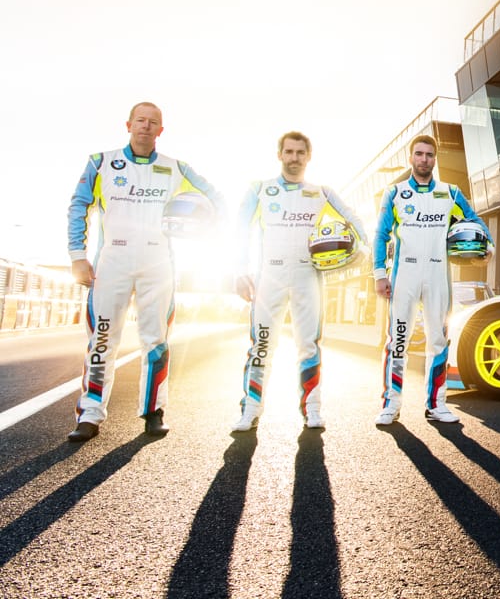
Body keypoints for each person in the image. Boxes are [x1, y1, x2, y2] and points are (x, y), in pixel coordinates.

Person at [65, 101, 224, 442]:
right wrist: (77, 255)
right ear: (129, 124)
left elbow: (215, 199)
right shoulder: (102, 162)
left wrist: (204, 227)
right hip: (112, 263)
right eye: (141, 120)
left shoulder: (176, 169)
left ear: (161, 130)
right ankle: (90, 414)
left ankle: (153, 411)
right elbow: (79, 205)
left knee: (156, 340)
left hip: (158, 264)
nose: (146, 126)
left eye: (153, 122)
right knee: (102, 339)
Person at [231, 131, 368, 433]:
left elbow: (354, 218)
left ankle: (312, 409)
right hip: (269, 277)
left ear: (309, 157)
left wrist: (362, 247)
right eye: (289, 152)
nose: (294, 158)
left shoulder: (323, 192)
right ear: (279, 154)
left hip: (309, 275)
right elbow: (240, 230)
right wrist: (239, 270)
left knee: (309, 345)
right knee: (262, 344)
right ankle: (250, 410)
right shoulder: (259, 190)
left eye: (300, 153)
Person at [373, 134, 493, 425]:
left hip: (439, 274)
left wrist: (485, 247)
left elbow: (475, 221)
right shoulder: (396, 193)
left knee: (438, 340)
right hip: (405, 275)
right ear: (411, 158)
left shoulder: (450, 193)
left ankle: (436, 404)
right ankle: (391, 404)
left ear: (435, 158)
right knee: (398, 340)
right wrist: (379, 273)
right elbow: (380, 235)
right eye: (419, 154)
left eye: (429, 154)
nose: (424, 159)